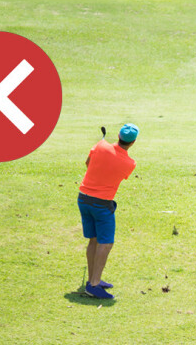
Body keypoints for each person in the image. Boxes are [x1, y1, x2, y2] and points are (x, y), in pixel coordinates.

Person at [77, 123, 139, 299]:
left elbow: (88, 164)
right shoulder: (130, 163)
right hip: (102, 205)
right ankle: (94, 284)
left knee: (94, 240)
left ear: (118, 134)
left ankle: (93, 280)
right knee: (106, 243)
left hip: (83, 198)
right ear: (133, 142)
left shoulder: (100, 145)